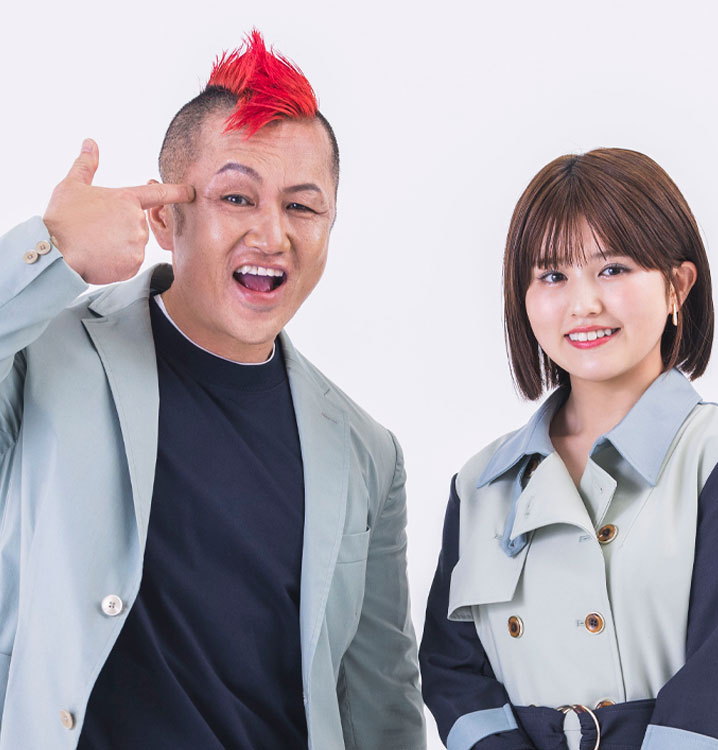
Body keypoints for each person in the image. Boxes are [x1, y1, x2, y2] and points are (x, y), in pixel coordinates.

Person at [0, 31, 425, 750]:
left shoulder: (367, 453)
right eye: (236, 197)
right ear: (164, 217)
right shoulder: (46, 355)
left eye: (302, 207)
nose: (272, 234)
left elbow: (381, 704)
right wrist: (51, 248)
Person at [419, 148, 718, 750]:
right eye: (552, 276)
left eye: (613, 269)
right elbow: (452, 672)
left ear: (677, 285)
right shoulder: (480, 484)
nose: (583, 304)